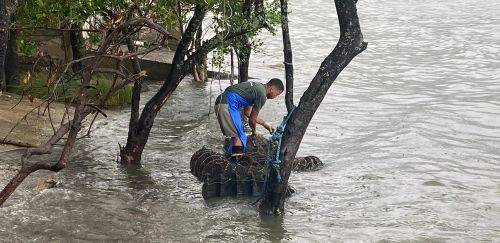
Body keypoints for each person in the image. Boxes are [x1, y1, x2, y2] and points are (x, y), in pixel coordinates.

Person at [214, 78, 284, 157]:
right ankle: (235, 164)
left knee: (236, 135)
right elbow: (252, 119)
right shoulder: (262, 95)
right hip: (228, 104)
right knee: (240, 137)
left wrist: (264, 124)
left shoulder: (257, 88)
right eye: (277, 94)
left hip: (221, 101)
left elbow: (248, 112)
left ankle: (230, 158)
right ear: (272, 89)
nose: (275, 97)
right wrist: (254, 131)